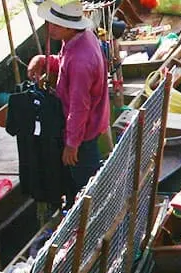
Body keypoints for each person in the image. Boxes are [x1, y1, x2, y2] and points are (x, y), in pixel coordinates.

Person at [26, 0, 111, 204]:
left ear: (70, 26)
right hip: (91, 123)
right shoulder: (80, 38)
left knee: (88, 187)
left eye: (56, 24)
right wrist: (44, 60)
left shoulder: (81, 61)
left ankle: (92, 221)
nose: (50, 28)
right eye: (50, 22)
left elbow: (79, 108)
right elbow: (65, 62)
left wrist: (72, 144)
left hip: (84, 132)